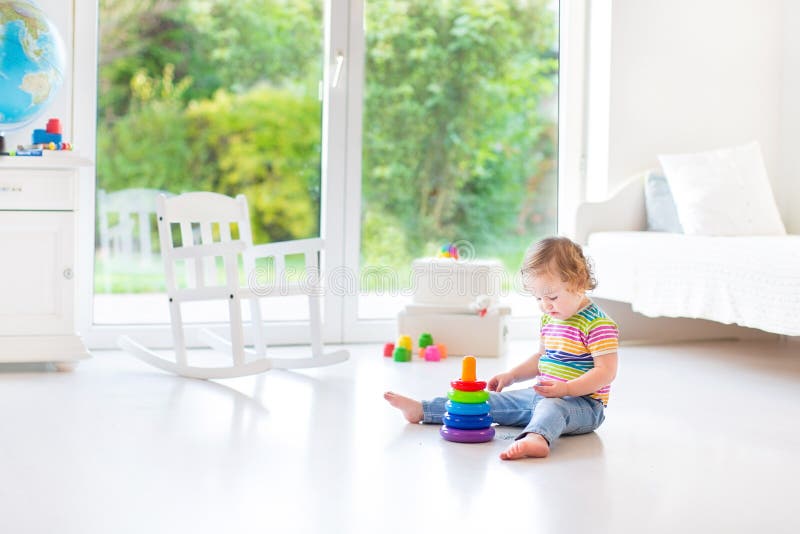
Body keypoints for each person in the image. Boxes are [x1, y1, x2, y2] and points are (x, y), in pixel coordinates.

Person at [384, 236, 619, 461]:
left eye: (552, 297)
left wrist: (567, 388)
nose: (545, 305)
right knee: (486, 401)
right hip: (542, 394)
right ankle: (424, 411)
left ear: (579, 282)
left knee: (553, 407)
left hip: (583, 406)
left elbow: (606, 372)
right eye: (538, 298)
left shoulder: (598, 324)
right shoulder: (551, 318)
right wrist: (512, 375)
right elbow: (541, 358)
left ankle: (537, 438)